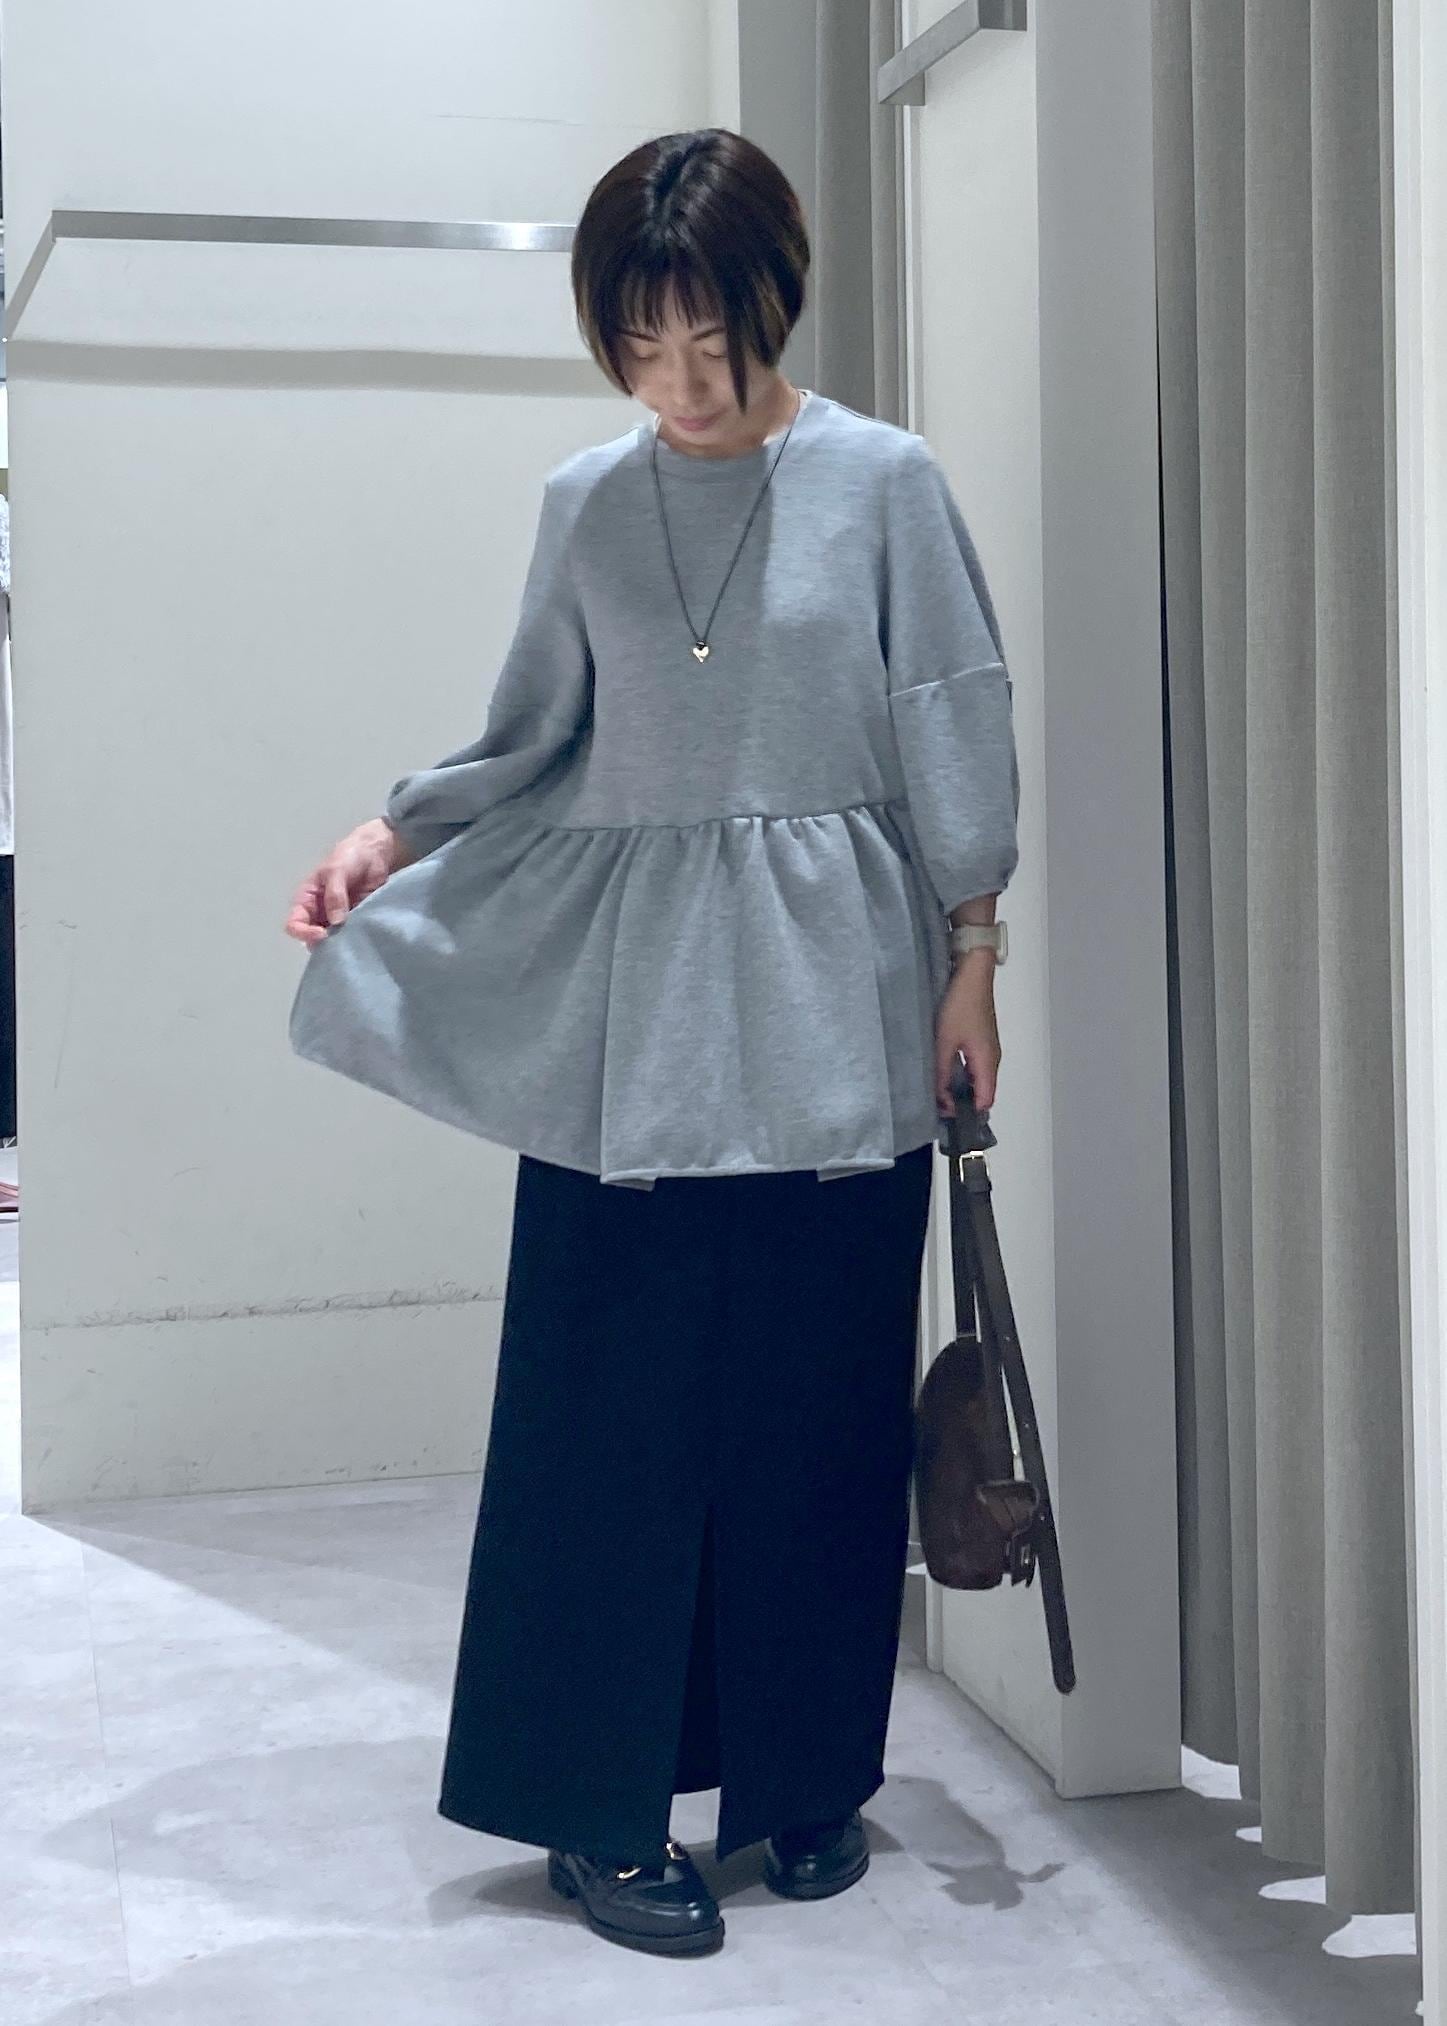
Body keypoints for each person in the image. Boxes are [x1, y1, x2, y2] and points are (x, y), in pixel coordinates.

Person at [284, 127, 1019, 1959]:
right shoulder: (587, 502)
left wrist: (973, 954)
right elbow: (532, 729)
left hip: (840, 1007)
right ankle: (594, 1810)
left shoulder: (885, 482)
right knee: (600, 1425)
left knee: (820, 1412)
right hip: (641, 1026)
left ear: (779, 305)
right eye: (642, 346)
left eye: (715, 342)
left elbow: (951, 719)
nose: (682, 383)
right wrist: (392, 832)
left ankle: (803, 1777)